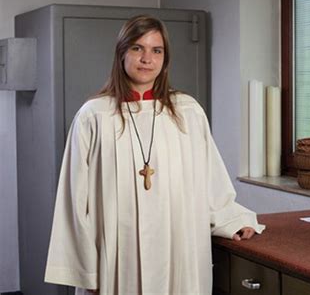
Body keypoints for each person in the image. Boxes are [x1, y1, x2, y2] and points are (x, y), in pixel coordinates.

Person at [44, 15, 265, 294]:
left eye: (156, 50)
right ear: (121, 53)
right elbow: (74, 200)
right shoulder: (95, 116)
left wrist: (232, 219)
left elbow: (210, 178)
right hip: (117, 254)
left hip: (178, 246)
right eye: (138, 48)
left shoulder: (187, 112)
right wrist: (87, 270)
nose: (147, 58)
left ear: (165, 58)